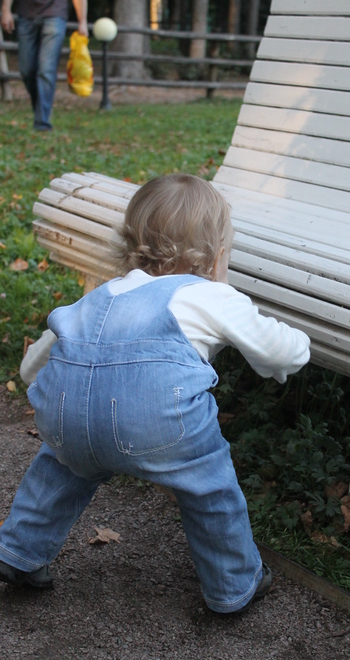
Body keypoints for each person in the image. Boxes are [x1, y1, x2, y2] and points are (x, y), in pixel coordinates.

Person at [0, 175, 311, 615]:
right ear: (218, 255)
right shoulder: (208, 295)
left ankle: (18, 551)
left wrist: (52, 398)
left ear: (129, 244)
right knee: (209, 487)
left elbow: (34, 368)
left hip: (65, 414)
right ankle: (233, 585)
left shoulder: (96, 297)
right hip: (156, 427)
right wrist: (302, 343)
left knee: (61, 464)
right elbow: (281, 353)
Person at [1, 0, 88, 131]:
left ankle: (42, 122)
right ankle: (40, 109)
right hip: (26, 13)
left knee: (46, 69)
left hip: (56, 13)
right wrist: (6, 9)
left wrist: (82, 20)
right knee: (27, 70)